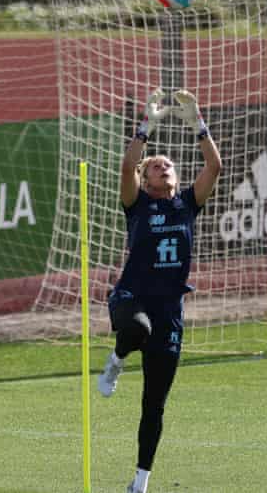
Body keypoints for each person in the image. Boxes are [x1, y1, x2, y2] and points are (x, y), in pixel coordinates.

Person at [97, 87, 222, 493]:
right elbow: (127, 165)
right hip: (130, 299)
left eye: (168, 165)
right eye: (156, 165)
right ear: (147, 178)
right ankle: (115, 361)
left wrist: (197, 122)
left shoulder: (187, 204)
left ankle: (140, 482)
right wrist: (147, 125)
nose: (163, 167)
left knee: (155, 404)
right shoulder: (137, 204)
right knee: (137, 331)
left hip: (170, 311)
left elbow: (215, 167)